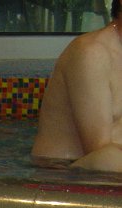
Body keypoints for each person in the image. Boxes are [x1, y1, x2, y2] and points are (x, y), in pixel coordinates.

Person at [31, 0, 122, 172]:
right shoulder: (92, 54)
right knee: (109, 158)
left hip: (103, 173)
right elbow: (98, 150)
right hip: (61, 173)